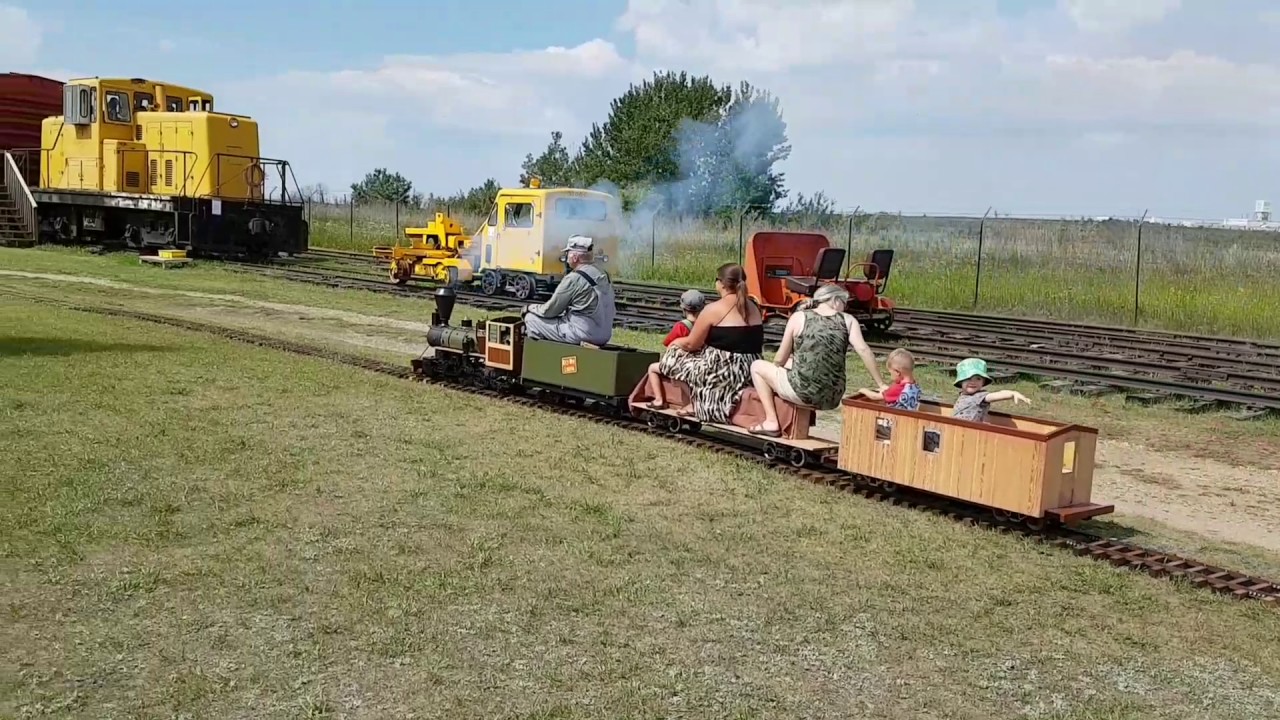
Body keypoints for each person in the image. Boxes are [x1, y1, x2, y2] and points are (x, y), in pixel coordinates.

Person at [746, 284, 889, 437]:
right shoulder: (849, 321)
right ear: (834, 300)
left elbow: (779, 359)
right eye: (844, 302)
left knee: (757, 366)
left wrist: (779, 371)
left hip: (803, 392)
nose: (844, 307)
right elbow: (863, 350)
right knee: (792, 366)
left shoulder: (799, 317)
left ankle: (771, 421)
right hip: (833, 396)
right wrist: (881, 384)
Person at [645, 263, 764, 422]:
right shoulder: (754, 307)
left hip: (723, 369)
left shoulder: (713, 309)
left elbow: (691, 344)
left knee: (674, 355)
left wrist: (675, 343)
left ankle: (694, 403)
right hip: (749, 366)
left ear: (721, 283)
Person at [522, 235, 616, 346]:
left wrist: (529, 308)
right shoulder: (603, 274)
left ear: (575, 257)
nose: (566, 257)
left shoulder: (574, 279)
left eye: (568, 253)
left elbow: (550, 311)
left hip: (581, 334)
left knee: (531, 319)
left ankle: (543, 357)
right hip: (604, 335)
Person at [951, 357, 1030, 422]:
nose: (973, 382)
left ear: (983, 382)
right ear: (961, 381)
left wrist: (1012, 394)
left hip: (969, 431)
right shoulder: (963, 395)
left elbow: (996, 395)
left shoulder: (979, 396)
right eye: (968, 378)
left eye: (978, 379)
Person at [854, 348, 921, 411]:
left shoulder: (898, 388)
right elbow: (895, 394)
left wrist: (864, 391)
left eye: (890, 373)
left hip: (894, 418)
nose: (890, 376)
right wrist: (886, 391)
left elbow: (875, 397)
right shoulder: (914, 385)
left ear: (897, 372)